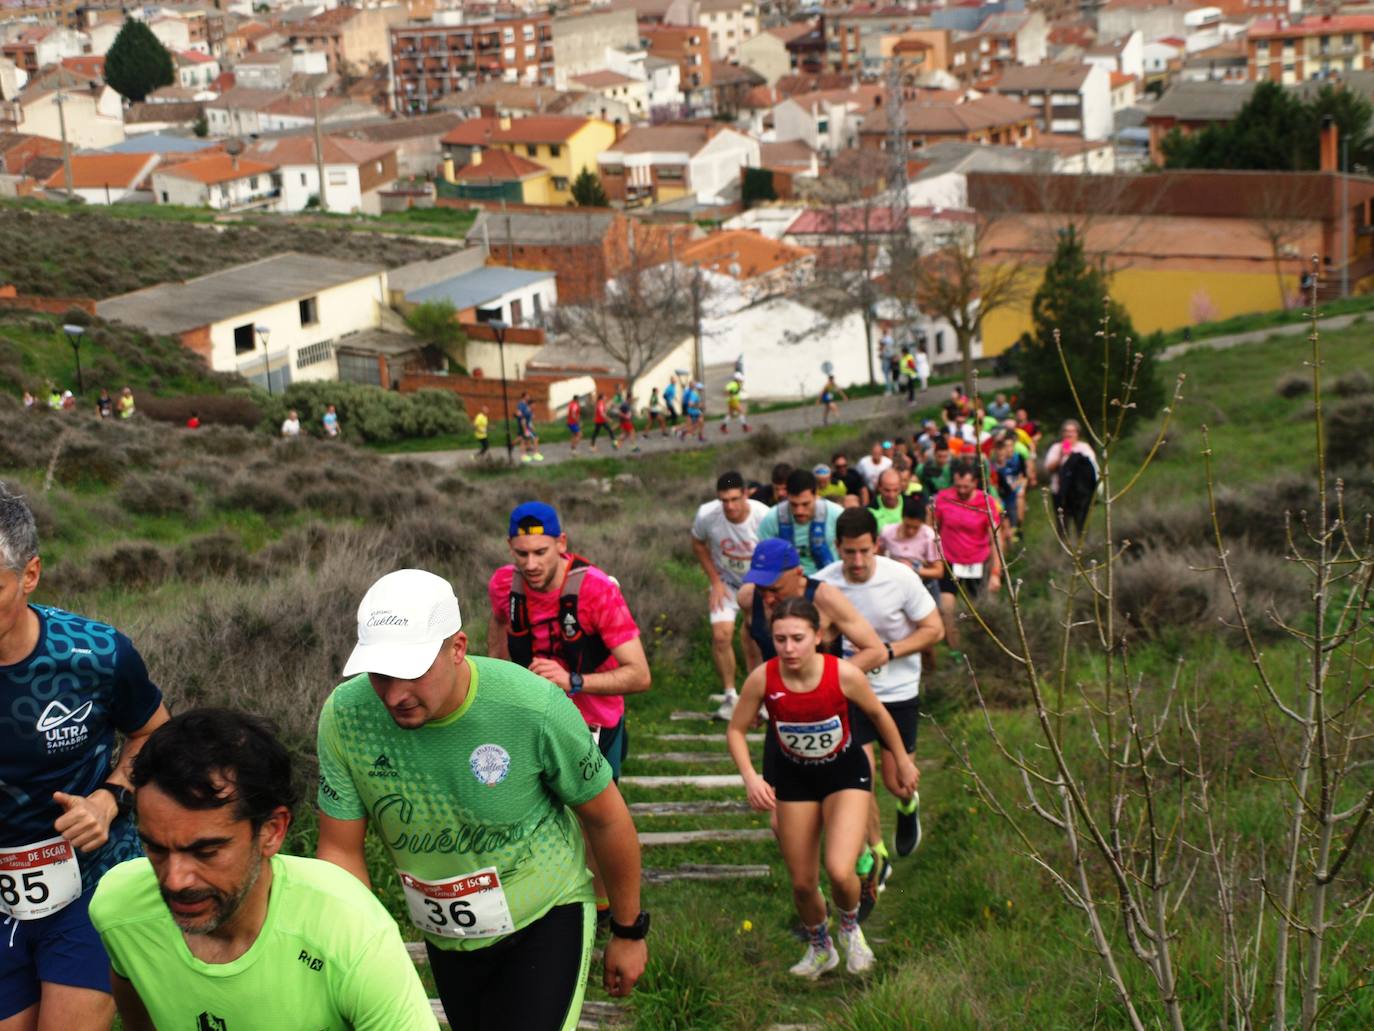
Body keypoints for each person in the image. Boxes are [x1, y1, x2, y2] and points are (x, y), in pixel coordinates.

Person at [317, 569, 649, 1031]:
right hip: (445, 934)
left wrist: (629, 930)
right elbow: (339, 849)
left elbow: (607, 817)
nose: (394, 694)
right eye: (380, 673)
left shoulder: (532, 707)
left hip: (544, 915)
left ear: (457, 648)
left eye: (411, 671)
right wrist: (352, 952)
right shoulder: (347, 716)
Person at [90, 710, 436, 1031]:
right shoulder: (119, 910)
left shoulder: (350, 930)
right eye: (155, 848)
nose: (175, 880)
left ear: (272, 831)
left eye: (206, 852)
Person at [0, 481, 170, 1031]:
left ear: (30, 574)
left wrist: (109, 798)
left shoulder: (95, 654)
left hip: (89, 879)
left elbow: (153, 735)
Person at [726, 598, 917, 979]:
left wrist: (904, 759)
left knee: (839, 870)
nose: (788, 648)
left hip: (845, 776)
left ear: (818, 636)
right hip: (795, 780)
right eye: (780, 639)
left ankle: (849, 928)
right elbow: (736, 729)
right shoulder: (763, 678)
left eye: (797, 638)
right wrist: (751, 776)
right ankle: (820, 948)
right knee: (802, 883)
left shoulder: (844, 674)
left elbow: (879, 715)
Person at [487, 503, 650, 921]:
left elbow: (639, 674)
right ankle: (543, 906)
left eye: (541, 552)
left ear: (562, 543)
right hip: (532, 718)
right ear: (510, 548)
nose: (531, 563)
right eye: (522, 554)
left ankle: (602, 910)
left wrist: (572, 682)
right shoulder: (505, 585)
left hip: (595, 718)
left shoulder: (596, 590)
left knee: (597, 820)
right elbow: (499, 630)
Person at [817, 508, 943, 871]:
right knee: (860, 779)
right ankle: (876, 854)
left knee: (897, 782)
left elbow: (933, 630)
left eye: (864, 551)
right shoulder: (823, 584)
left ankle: (908, 805)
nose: (857, 561)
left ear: (877, 545)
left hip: (898, 689)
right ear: (837, 546)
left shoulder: (900, 578)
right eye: (849, 552)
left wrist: (886, 652)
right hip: (849, 692)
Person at [690, 471, 769, 721]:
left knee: (755, 638)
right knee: (721, 636)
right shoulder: (707, 515)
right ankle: (730, 696)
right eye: (724, 500)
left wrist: (765, 587)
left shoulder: (763, 516)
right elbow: (698, 543)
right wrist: (714, 581)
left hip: (756, 585)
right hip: (725, 583)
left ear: (746, 494)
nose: (730, 506)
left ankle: (760, 697)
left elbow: (773, 552)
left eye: (735, 499)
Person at [930, 459, 1003, 657]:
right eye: (958, 486)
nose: (961, 490)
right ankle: (956, 651)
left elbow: (996, 539)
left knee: (981, 609)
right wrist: (933, 559)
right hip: (950, 560)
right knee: (947, 608)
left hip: (977, 561)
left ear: (975, 483)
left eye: (966, 486)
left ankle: (983, 648)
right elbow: (931, 529)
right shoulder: (943, 498)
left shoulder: (985, 502)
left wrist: (996, 573)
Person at [758, 468, 843, 576]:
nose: (799, 511)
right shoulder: (772, 518)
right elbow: (765, 557)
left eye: (805, 504)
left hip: (830, 579)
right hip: (789, 583)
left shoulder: (836, 514)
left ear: (816, 495)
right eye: (793, 504)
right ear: (787, 496)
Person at [1043, 418, 1099, 535]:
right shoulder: (1056, 448)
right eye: (1066, 431)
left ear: (1077, 433)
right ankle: (1063, 549)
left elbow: (1092, 468)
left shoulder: (1084, 448)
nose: (1069, 434)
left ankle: (1083, 548)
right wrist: (1061, 455)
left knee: (1082, 524)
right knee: (1062, 524)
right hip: (1059, 492)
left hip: (1080, 493)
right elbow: (1049, 467)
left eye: (1072, 431)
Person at [991, 432, 1029, 536]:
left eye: (1010, 446)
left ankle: (1017, 526)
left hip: (1015, 488)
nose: (1008, 449)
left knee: (1018, 497)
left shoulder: (1018, 458)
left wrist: (1020, 487)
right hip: (1002, 492)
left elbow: (1024, 475)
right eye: (1006, 446)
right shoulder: (996, 463)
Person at [515, 392, 543, 463]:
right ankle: (528, 455)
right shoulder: (526, 410)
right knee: (527, 440)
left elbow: (529, 421)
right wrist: (525, 430)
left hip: (527, 428)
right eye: (534, 404)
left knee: (525, 440)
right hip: (525, 428)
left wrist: (532, 426)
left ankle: (529, 454)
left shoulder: (529, 411)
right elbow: (523, 420)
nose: (535, 406)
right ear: (531, 405)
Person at [878, 329, 895, 396]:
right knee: (886, 376)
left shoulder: (888, 345)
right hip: (885, 362)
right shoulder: (886, 345)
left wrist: (883, 354)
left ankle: (889, 390)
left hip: (886, 362)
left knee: (887, 376)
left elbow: (889, 355)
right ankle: (889, 389)